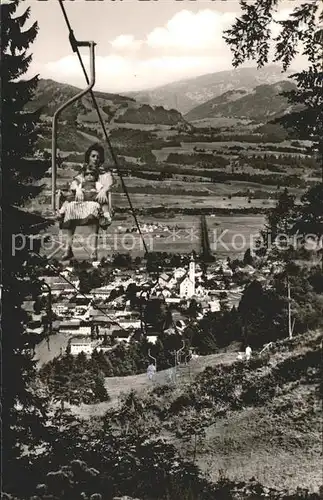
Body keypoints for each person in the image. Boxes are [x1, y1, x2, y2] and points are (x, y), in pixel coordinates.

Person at [57, 143, 114, 261]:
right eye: (93, 156)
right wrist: (78, 189)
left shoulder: (104, 174)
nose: (95, 159)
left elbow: (109, 184)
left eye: (98, 157)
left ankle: (93, 251)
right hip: (82, 200)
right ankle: (68, 249)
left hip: (95, 200)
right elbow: (75, 182)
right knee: (71, 209)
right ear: (89, 157)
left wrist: (103, 190)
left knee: (94, 211)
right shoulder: (84, 171)